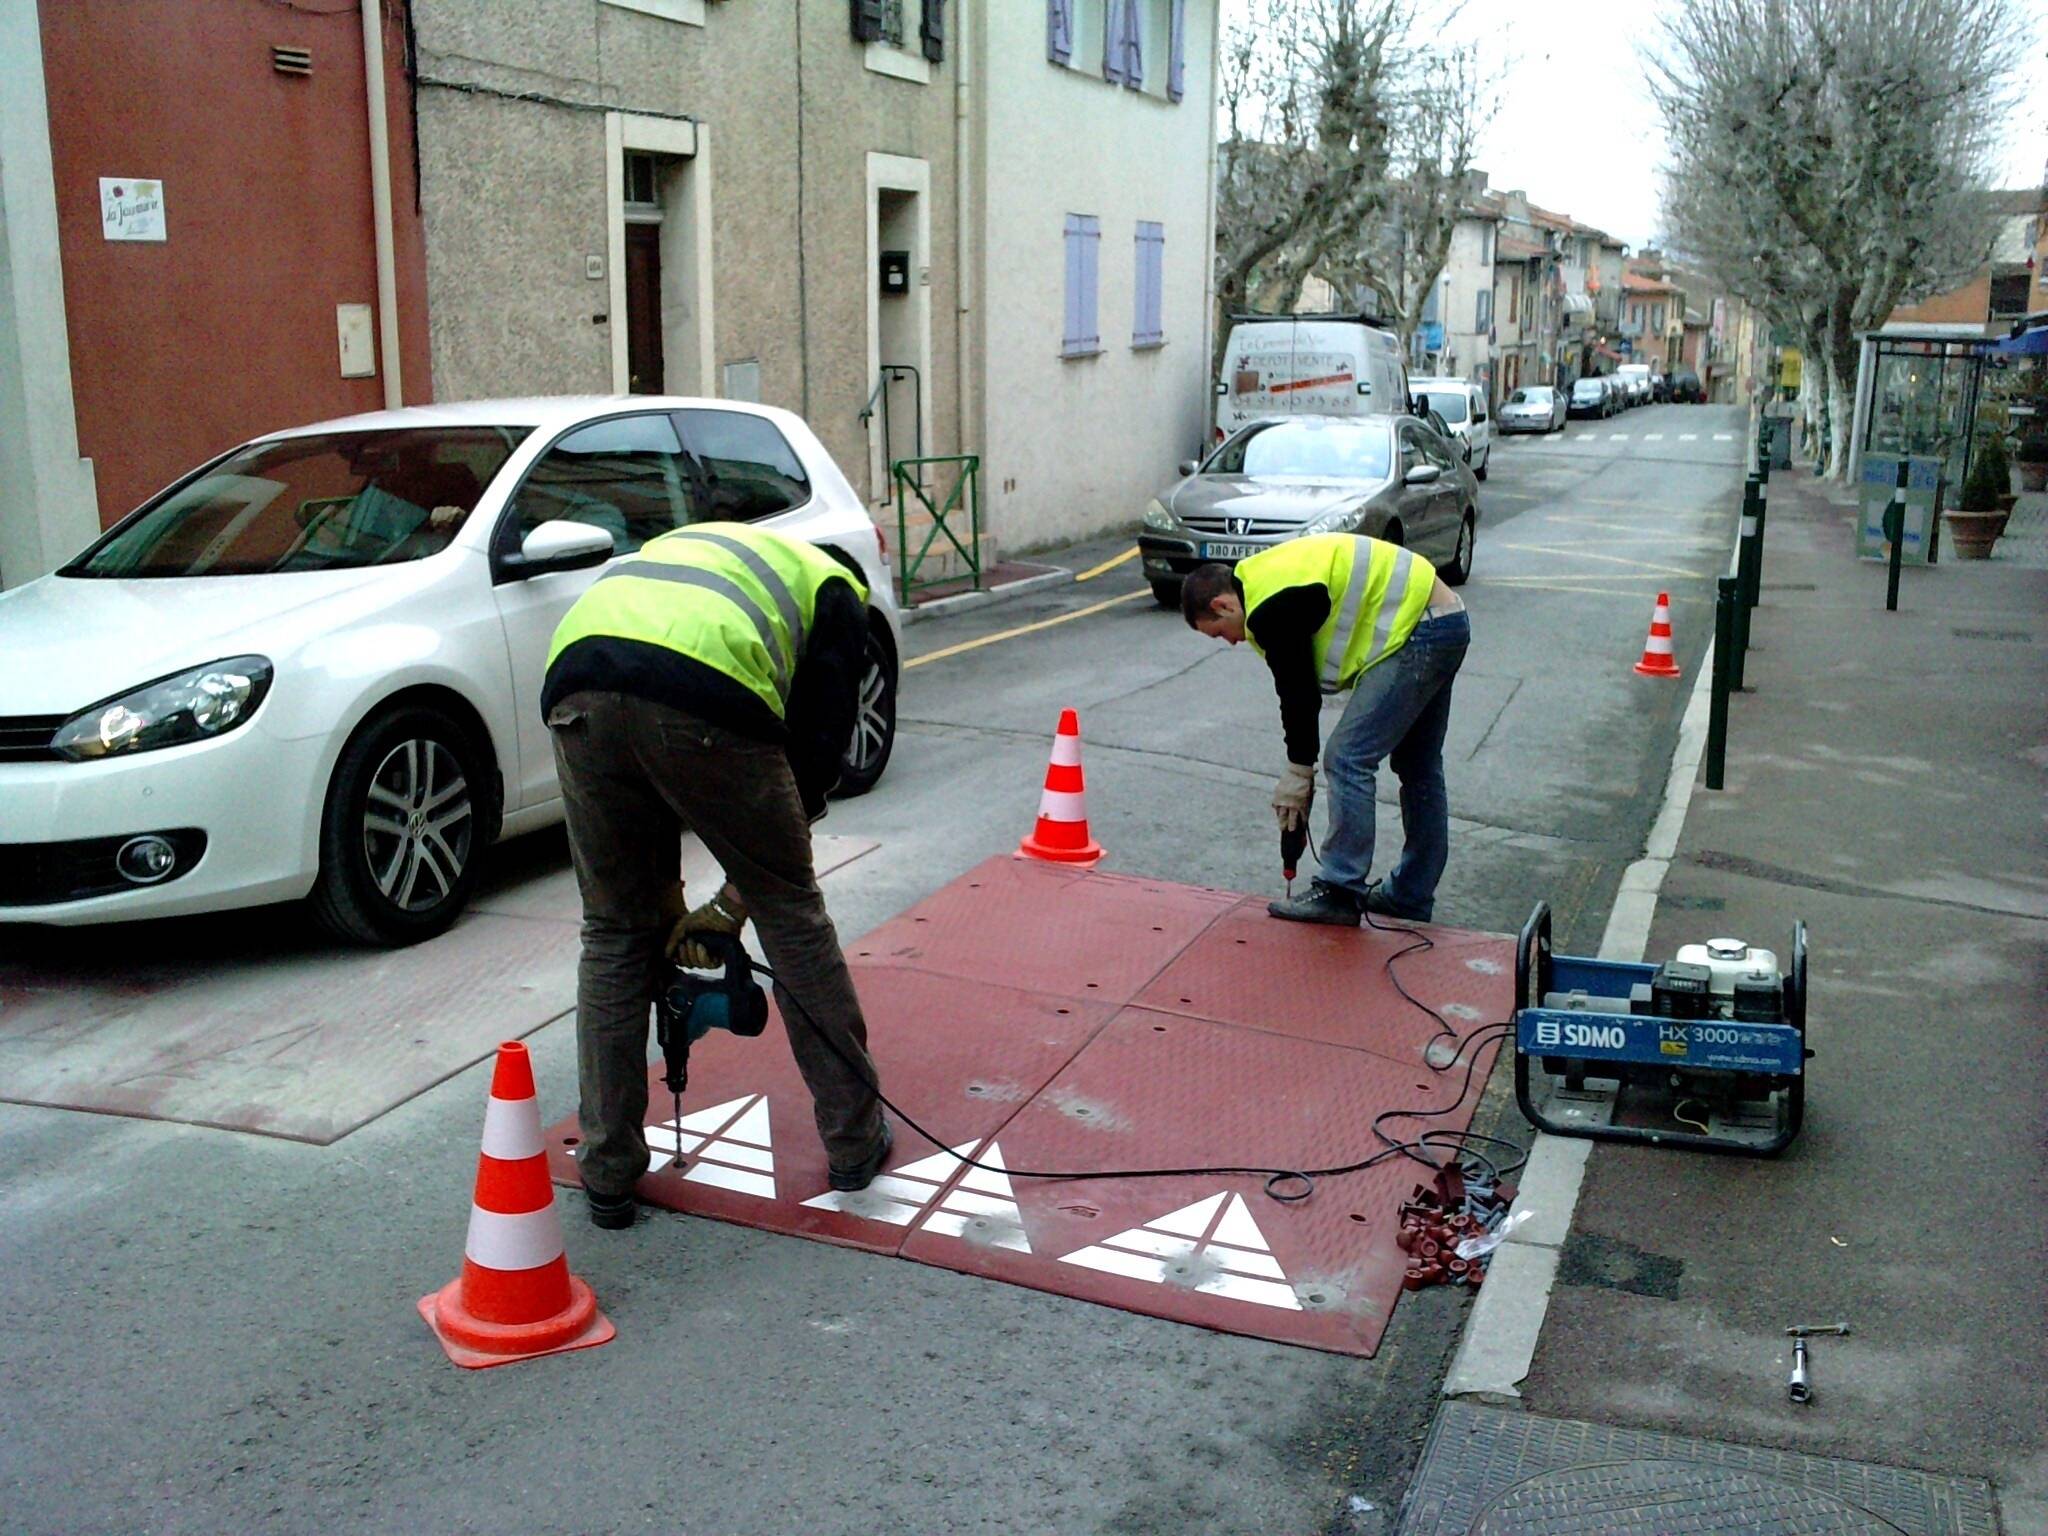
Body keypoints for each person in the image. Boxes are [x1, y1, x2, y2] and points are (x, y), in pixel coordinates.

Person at [542, 521, 891, 1228]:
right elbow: (812, 767)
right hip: (700, 687)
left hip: (577, 678)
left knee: (614, 931)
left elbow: (638, 732)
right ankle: (855, 1140)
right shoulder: (839, 594)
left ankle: (607, 1168)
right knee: (791, 914)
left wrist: (672, 905)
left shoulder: (713, 551)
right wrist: (740, 902)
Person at [1182, 532, 1470, 925]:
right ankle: (1410, 895)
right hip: (1445, 618)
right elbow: (1299, 684)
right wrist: (1300, 769)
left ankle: (1340, 889)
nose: (1231, 642)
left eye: (1219, 632)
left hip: (1420, 630)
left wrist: (1298, 772)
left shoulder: (1268, 606)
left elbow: (1298, 694)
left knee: (1347, 758)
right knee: (1419, 767)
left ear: (1223, 604)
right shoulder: (1266, 578)